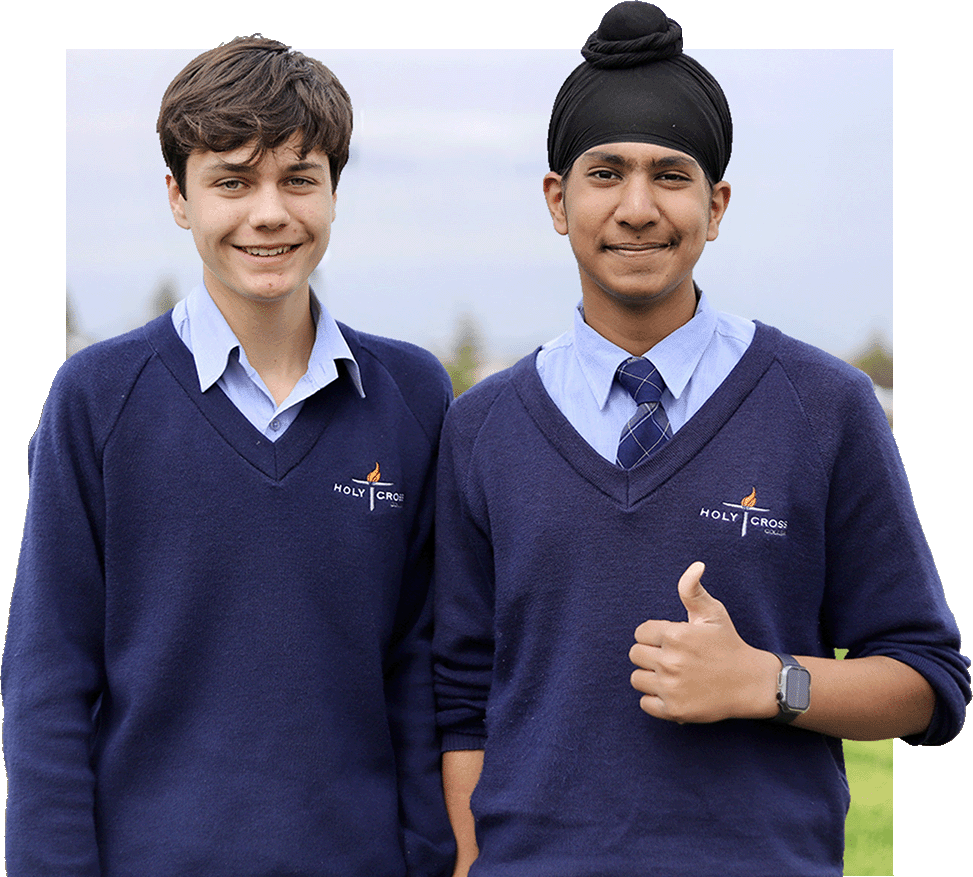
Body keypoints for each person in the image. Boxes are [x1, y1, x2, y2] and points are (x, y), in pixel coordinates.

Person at [432, 3, 970, 875]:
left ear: (714, 206)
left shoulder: (823, 405)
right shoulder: (480, 426)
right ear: (555, 199)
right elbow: (459, 696)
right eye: (604, 172)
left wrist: (767, 681)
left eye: (670, 175)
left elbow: (929, 683)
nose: (637, 207)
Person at [2, 36, 454, 877]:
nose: (269, 212)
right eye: (232, 181)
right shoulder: (96, 399)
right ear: (179, 197)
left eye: (298, 177)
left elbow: (421, 667)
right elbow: (46, 686)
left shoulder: (414, 397)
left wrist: (425, 857)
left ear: (333, 191)